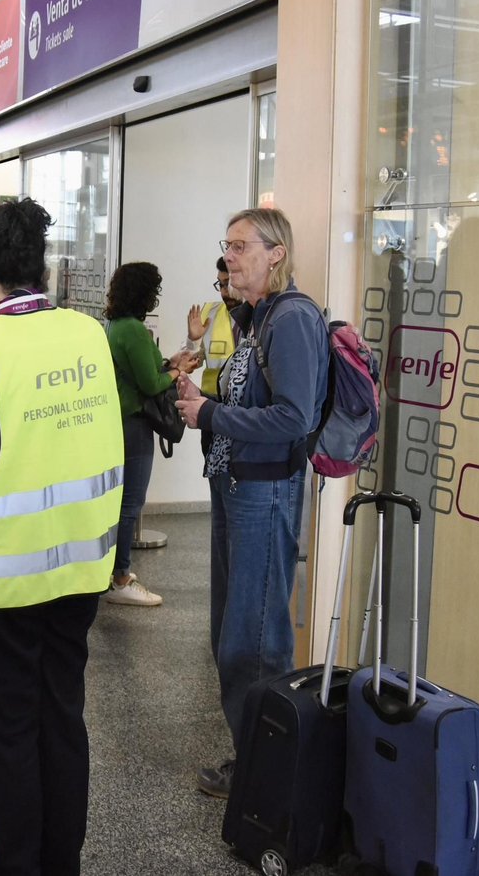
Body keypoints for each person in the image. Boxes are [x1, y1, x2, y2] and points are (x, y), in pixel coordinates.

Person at [0, 198, 122, 876]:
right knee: (61, 718)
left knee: (6, 733)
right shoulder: (88, 333)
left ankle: (17, 865)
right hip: (78, 570)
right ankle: (60, 862)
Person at [174, 208, 328, 801]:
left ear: (276, 254)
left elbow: (294, 418)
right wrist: (200, 398)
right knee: (230, 632)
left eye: (240, 247)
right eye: (228, 246)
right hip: (235, 485)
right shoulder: (255, 317)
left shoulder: (290, 319)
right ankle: (257, 755)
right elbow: (252, 396)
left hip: (263, 492)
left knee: (256, 639)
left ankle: (270, 774)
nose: (229, 257)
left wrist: (209, 413)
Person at [103, 262, 201, 608]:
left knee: (119, 502)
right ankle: (120, 577)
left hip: (118, 420)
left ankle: (111, 572)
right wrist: (178, 371)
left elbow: (144, 369)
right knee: (131, 503)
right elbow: (151, 383)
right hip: (134, 423)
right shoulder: (133, 329)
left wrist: (171, 363)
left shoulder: (115, 324)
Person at [187, 256, 242, 394]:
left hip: (247, 407)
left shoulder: (262, 317)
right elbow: (189, 363)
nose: (224, 292)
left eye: (228, 284)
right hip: (213, 405)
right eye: (220, 284)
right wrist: (193, 340)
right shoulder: (209, 315)